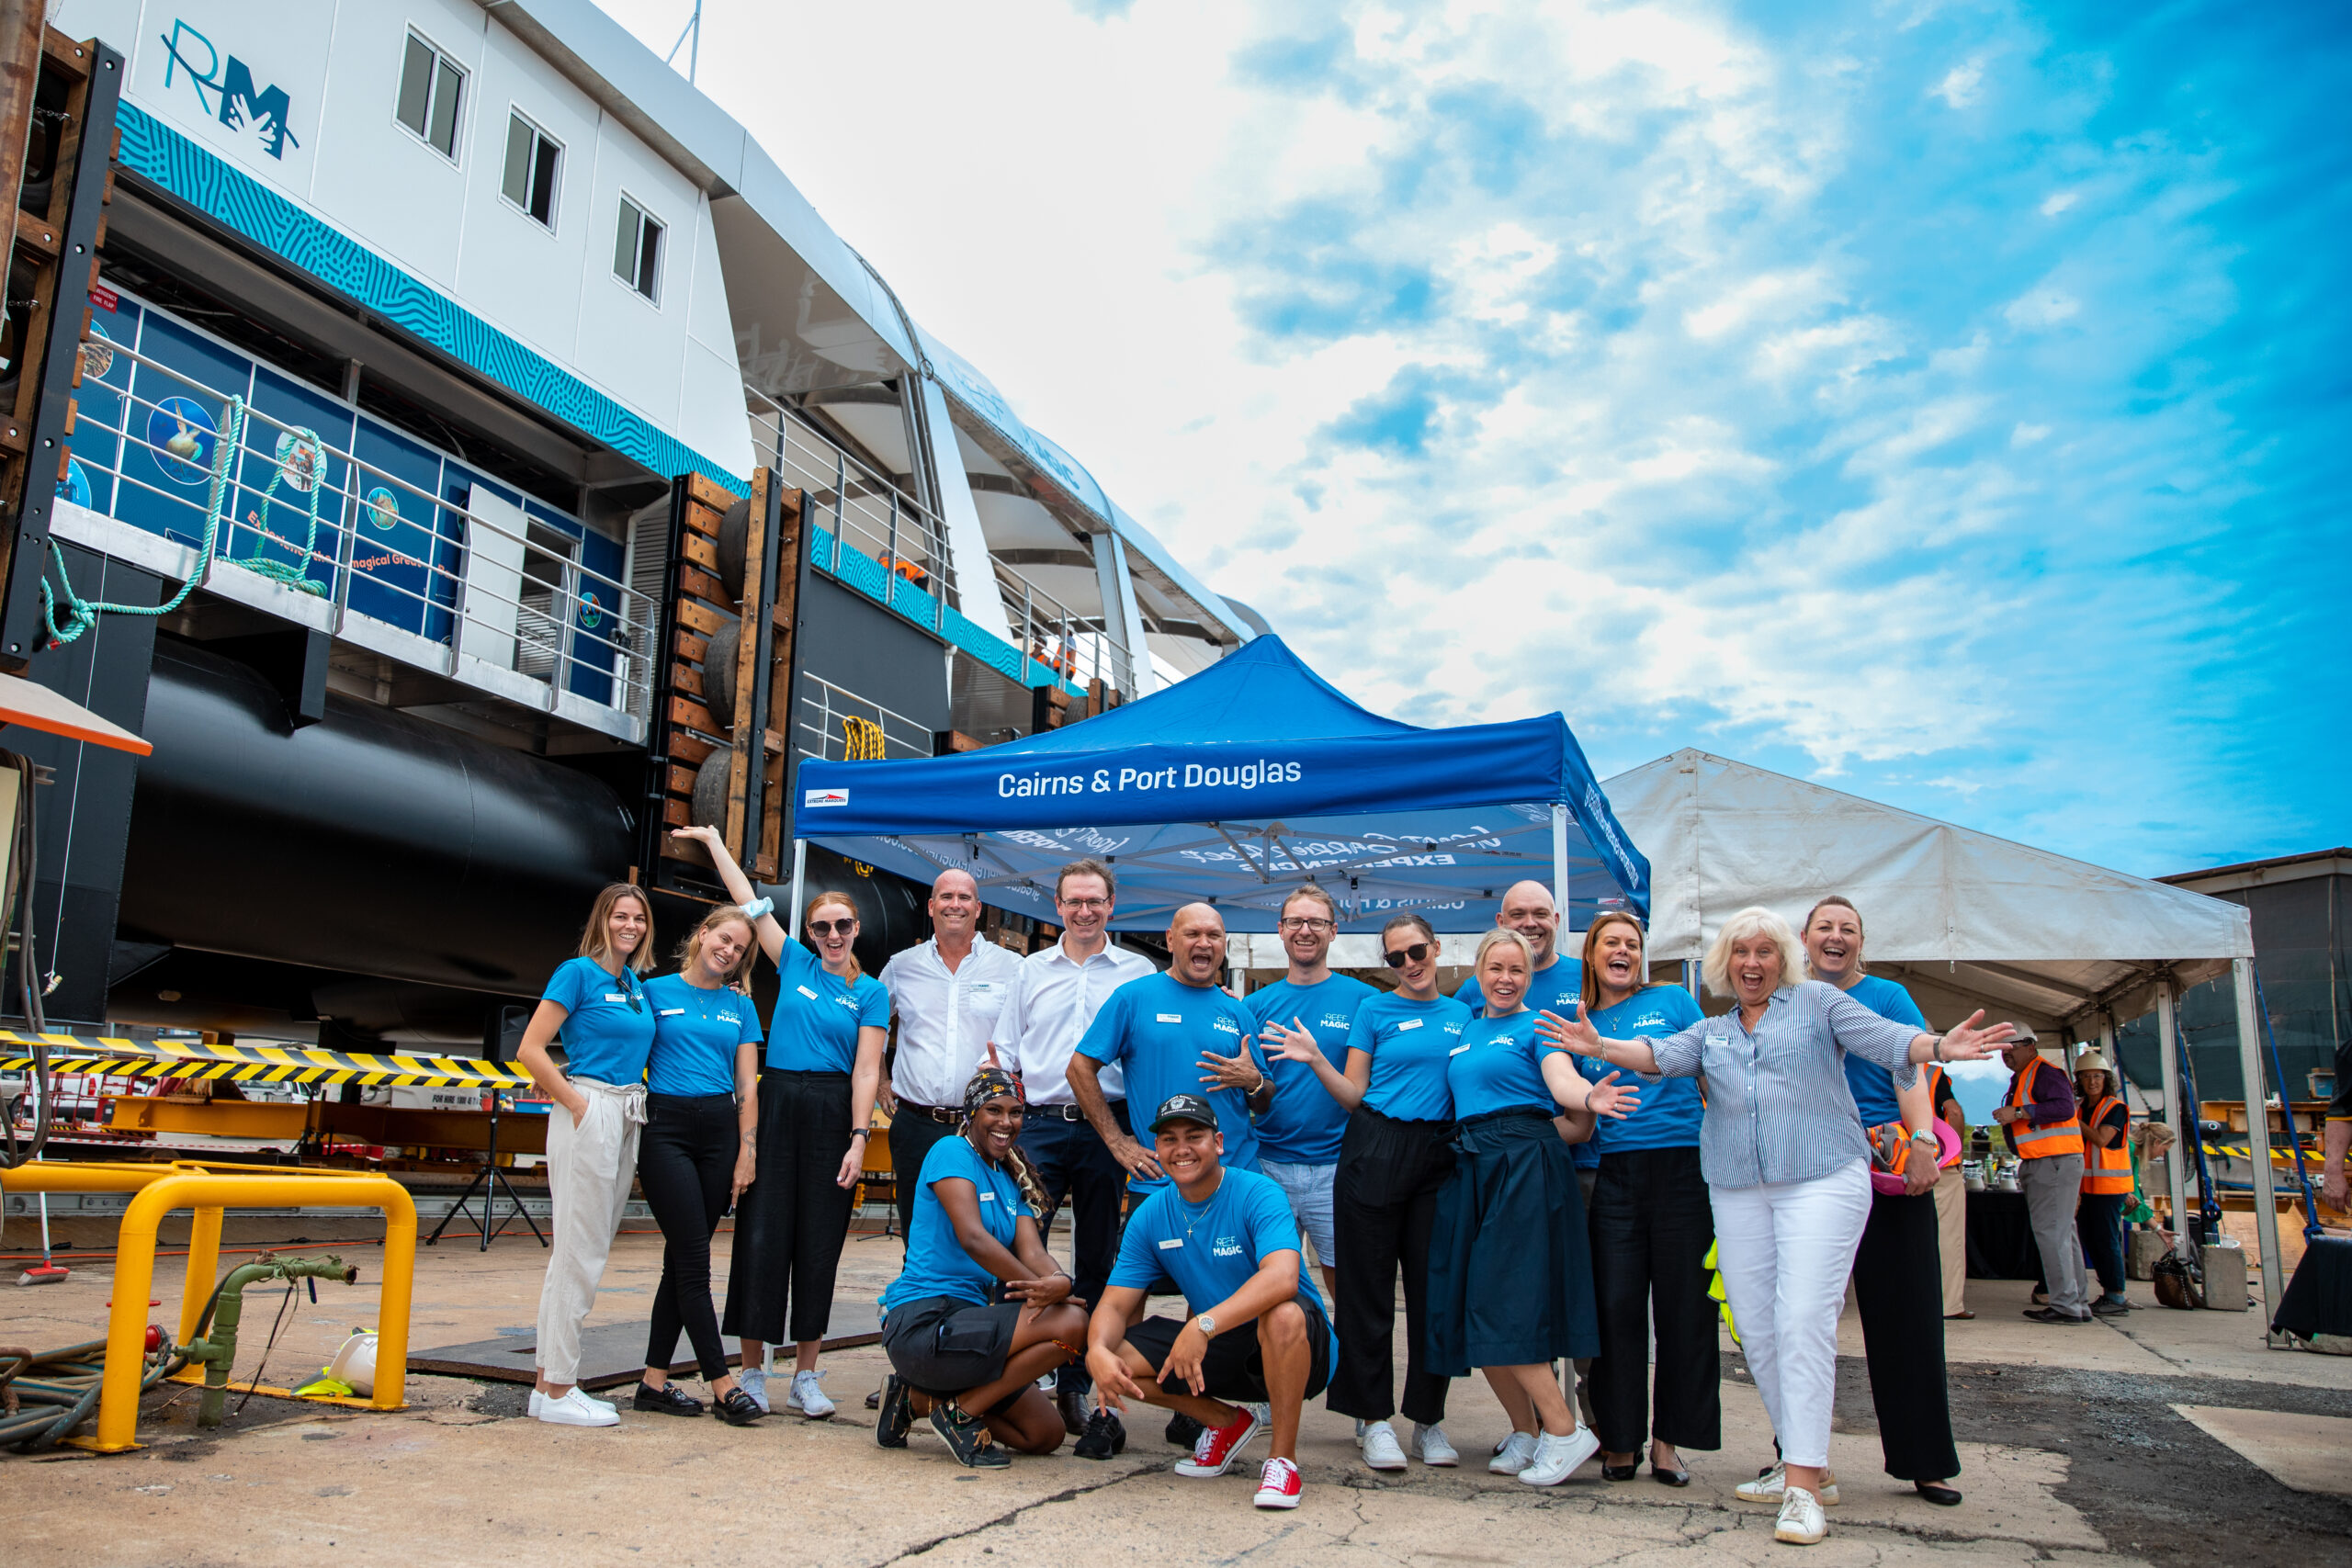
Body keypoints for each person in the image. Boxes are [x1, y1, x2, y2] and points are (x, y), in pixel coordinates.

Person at [1548, 906, 2011, 1546]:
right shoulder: (1712, 1031)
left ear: (1784, 958)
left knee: (1801, 1321)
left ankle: (1802, 1488)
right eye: (1740, 952)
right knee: (1758, 1329)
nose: (1752, 962)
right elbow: (1658, 1055)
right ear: (1724, 964)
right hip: (1739, 1187)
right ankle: (1803, 1458)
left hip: (1822, 1176)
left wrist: (1937, 1047)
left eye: (1764, 951)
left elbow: (1886, 1040)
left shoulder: (1819, 1003)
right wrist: (1598, 1046)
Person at [677, 824, 891, 1417]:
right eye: (821, 927)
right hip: (778, 1101)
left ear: (856, 929)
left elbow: (866, 1071)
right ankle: (752, 1370)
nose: (832, 936)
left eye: (842, 926)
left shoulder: (871, 993)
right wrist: (716, 844)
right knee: (762, 1234)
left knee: (819, 1241)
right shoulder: (794, 961)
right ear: (810, 933)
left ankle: (805, 1375)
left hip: (831, 1109)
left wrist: (859, 1138)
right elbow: (748, 900)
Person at [1429, 927, 1638, 1489]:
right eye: (1495, 968)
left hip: (1521, 1170)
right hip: (1474, 1166)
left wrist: (1586, 1097)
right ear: (1478, 973)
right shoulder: (1466, 1029)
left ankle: (1564, 1430)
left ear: (1529, 976)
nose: (1505, 979)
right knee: (1474, 1304)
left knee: (1503, 1304)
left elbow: (1560, 1080)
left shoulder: (1540, 1026)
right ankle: (1526, 1431)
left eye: (1516, 970)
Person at [1264, 912, 1468, 1473]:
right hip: (1375, 1145)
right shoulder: (1374, 1010)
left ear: (1436, 948)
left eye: (1417, 951)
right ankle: (1373, 1419)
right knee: (1365, 1293)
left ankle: (1428, 1421)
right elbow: (1354, 1093)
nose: (1409, 964)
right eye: (1396, 957)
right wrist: (1315, 1059)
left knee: (1433, 1295)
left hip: (1439, 1155)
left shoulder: (1463, 1013)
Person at [1084, 1093, 1338, 1511]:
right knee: (1116, 1360)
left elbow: (1282, 1278)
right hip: (1223, 1345)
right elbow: (1113, 1305)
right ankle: (1225, 1422)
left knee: (1282, 1314)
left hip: (1301, 1348)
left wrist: (1203, 1324)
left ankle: (1283, 1461)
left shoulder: (1258, 1192)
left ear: (1218, 1143)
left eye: (1194, 1136)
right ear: (1157, 1148)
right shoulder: (1151, 1215)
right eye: (1169, 1139)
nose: (1181, 1148)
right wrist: (1096, 1350)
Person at [1800, 897, 1962, 1507]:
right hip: (1811, 1167)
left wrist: (1922, 1141)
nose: (1836, 936)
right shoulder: (1787, 997)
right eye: (1825, 927)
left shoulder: (1889, 996)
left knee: (1909, 1315)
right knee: (1803, 1322)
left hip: (1887, 1168)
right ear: (1805, 938)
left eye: (1848, 929)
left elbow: (1909, 1069)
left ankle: (1926, 1461)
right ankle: (1800, 1458)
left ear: (1861, 943)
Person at [990, 857, 1156, 1449]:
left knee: (1098, 1260)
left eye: (1095, 901)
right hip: (1038, 1125)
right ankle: (1013, 1376)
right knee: (1019, 1249)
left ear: (1112, 906)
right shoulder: (1030, 970)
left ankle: (1076, 1382)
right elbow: (1005, 1049)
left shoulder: (1137, 972)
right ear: (1057, 906)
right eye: (1074, 901)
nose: (1085, 911)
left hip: (1108, 1128)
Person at [875, 1066, 1089, 1467]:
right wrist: (1043, 1290)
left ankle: (914, 1401)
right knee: (1071, 1323)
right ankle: (958, 1415)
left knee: (1044, 1434)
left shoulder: (1010, 1177)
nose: (1006, 1122)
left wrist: (1060, 1281)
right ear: (972, 1113)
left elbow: (1034, 1253)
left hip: (970, 1326)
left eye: (1015, 1112)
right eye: (994, 1110)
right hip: (924, 1321)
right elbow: (972, 1237)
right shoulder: (951, 1152)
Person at [1575, 912, 1715, 1488]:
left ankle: (1667, 1443)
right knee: (1616, 1310)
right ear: (1592, 954)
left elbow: (1712, 1072)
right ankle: (1621, 1438)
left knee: (1686, 1312)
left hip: (1685, 1168)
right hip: (1616, 1173)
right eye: (1611, 942)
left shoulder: (1673, 1001)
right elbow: (1577, 1108)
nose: (1623, 951)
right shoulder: (1581, 1021)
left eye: (1632, 944)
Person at [515, 883, 657, 1427]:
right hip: (592, 1108)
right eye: (620, 916)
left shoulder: (632, 984)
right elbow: (530, 1048)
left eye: (638, 919)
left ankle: (546, 1386)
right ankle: (559, 1389)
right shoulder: (576, 973)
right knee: (580, 1254)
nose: (630, 926)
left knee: (579, 1251)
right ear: (602, 920)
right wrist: (576, 1102)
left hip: (625, 1112)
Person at [632, 904, 766, 1426]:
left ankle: (653, 1382)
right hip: (665, 1129)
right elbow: (624, 1047)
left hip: (718, 1132)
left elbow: (747, 1085)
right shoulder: (653, 992)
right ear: (703, 934)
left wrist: (746, 1152)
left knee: (680, 1262)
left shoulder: (741, 1007)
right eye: (724, 939)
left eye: (740, 949)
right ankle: (722, 1382)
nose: (729, 951)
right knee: (693, 1260)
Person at [1240, 884, 1376, 1303]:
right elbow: (1249, 1090)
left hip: (1339, 1167)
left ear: (1334, 931)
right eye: (1295, 921)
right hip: (1269, 1167)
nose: (1305, 930)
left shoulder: (1366, 1001)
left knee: (1349, 1292)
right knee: (1268, 1290)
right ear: (1280, 930)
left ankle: (1344, 1350)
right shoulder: (1254, 1006)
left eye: (1316, 922)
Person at [876, 868, 1022, 1240]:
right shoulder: (901, 966)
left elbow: (1031, 1034)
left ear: (978, 908)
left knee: (985, 1232)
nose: (954, 905)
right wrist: (880, 1078)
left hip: (984, 1126)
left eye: (963, 897)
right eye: (946, 896)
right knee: (918, 1232)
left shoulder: (1012, 968)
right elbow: (871, 1027)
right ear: (931, 906)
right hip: (916, 1124)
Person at [1993, 1027, 2089, 1325]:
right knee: (2063, 1233)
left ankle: (2066, 1305)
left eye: (2011, 1048)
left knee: (2052, 1233)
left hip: (2052, 1161)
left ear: (2030, 1046)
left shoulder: (2045, 1073)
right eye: (2003, 1050)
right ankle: (2076, 1302)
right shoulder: (2028, 1075)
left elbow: (2063, 1107)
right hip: (2051, 1161)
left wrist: (2018, 1112)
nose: (2006, 1055)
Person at [2073, 1051, 2133, 1316]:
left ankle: (2116, 1296)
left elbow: (2100, 1139)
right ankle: (2109, 1292)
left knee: (2107, 1241)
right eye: (2086, 1077)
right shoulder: (2079, 1107)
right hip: (2086, 1187)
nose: (2092, 1082)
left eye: (2097, 1076)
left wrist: (2074, 1122)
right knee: (2092, 1240)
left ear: (2106, 1079)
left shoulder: (2115, 1109)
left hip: (2109, 1187)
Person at [1929, 1060, 1971, 1320]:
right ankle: (1948, 1304)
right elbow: (1953, 1111)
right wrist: (1954, 1153)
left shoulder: (1874, 1065)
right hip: (1936, 1163)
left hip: (1891, 1161)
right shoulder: (1930, 1072)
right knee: (1947, 1235)